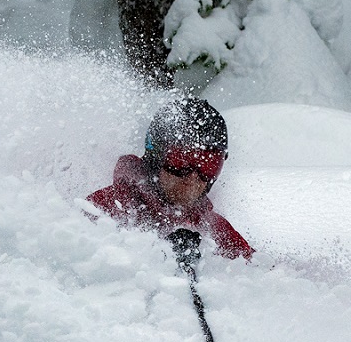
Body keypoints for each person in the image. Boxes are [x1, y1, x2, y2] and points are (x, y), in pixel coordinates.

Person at [88, 97, 254, 261]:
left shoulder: (215, 231)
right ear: (155, 159)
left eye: (208, 165)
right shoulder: (104, 210)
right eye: (181, 161)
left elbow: (258, 270)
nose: (193, 177)